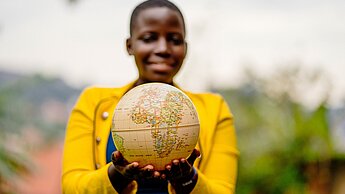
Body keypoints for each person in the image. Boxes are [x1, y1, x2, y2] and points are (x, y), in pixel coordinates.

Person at [62, 0, 239, 193]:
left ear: (185, 49)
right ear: (130, 46)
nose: (163, 48)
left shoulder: (215, 109)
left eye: (175, 39)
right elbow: (71, 187)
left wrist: (187, 179)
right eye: (149, 38)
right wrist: (117, 175)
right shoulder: (93, 102)